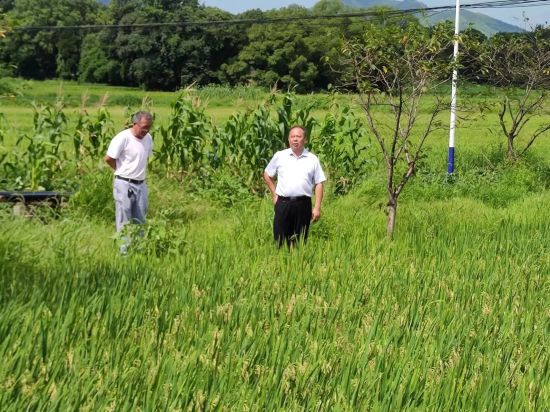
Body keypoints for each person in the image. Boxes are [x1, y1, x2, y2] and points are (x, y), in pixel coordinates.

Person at [263, 125, 326, 247]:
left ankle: (297, 264)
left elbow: (319, 183)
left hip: (303, 204)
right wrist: (274, 193)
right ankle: (281, 264)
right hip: (283, 203)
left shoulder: (312, 159)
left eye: (298, 136)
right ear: (288, 139)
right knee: (280, 240)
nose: (295, 139)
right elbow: (267, 174)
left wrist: (317, 207)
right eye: (292, 136)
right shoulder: (280, 156)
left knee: (300, 241)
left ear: (305, 140)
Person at [104, 111, 153, 254]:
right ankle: (124, 252)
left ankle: (139, 250)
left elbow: (145, 158)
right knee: (124, 217)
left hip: (141, 184)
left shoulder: (148, 138)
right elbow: (108, 158)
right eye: (143, 127)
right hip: (124, 183)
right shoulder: (123, 138)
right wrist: (121, 171)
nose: (146, 130)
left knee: (140, 218)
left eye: (148, 127)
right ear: (135, 124)